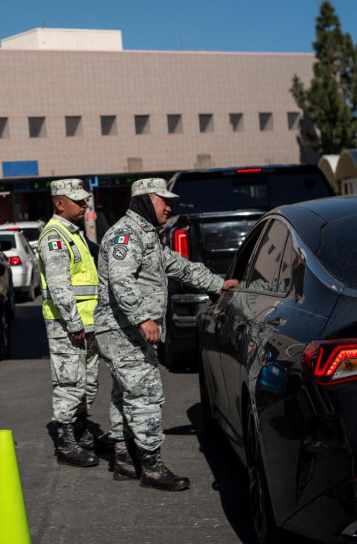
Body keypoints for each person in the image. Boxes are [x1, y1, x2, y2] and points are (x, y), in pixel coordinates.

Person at [94, 178, 238, 490]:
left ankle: (123, 459)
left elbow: (179, 266)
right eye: (163, 200)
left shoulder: (146, 235)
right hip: (123, 330)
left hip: (125, 330)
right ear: (146, 199)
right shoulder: (125, 233)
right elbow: (120, 280)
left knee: (124, 395)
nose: (169, 207)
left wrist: (217, 284)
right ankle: (152, 467)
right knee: (145, 393)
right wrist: (142, 318)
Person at [37, 178, 102, 467]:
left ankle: (81, 432)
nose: (84, 204)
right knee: (69, 383)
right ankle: (66, 443)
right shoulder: (55, 236)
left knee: (88, 383)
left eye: (84, 199)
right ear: (59, 203)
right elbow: (60, 284)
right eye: (78, 201)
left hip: (87, 323)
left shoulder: (73, 233)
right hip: (67, 324)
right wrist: (74, 322)